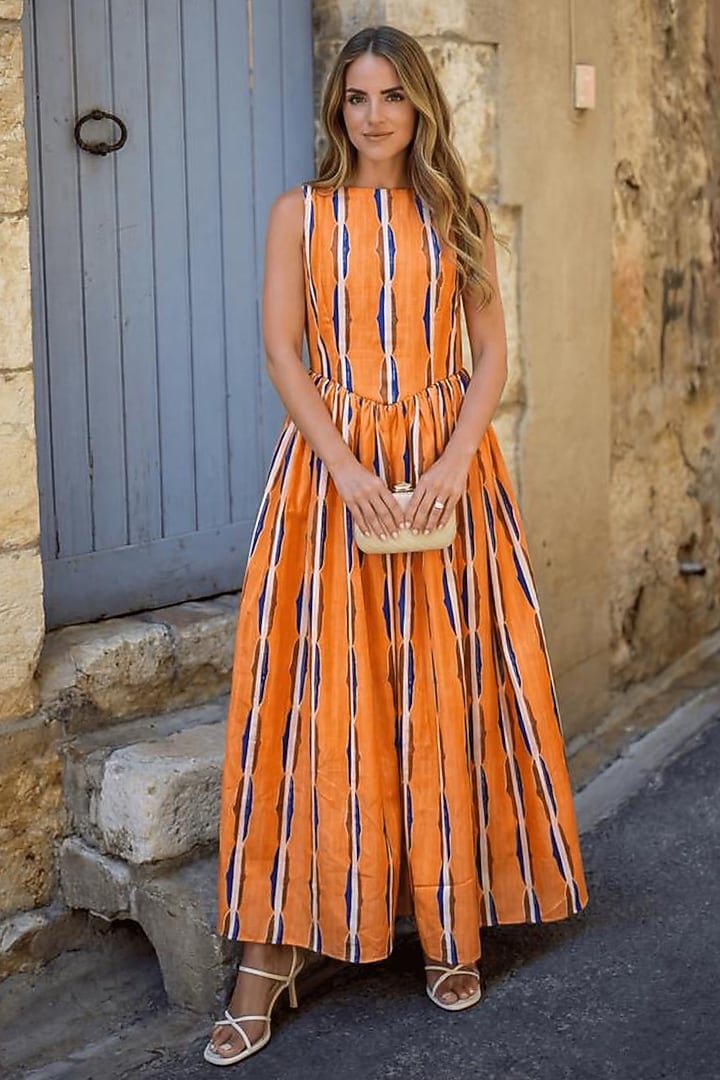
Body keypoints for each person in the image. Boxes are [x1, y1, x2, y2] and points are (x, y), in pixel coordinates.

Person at [204, 23, 589, 1067]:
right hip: (334, 480)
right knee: (317, 702)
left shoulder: (457, 211)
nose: (373, 116)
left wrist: (456, 460)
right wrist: (346, 467)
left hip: (447, 475)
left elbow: (490, 349)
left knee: (444, 686)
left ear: (420, 105)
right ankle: (268, 959)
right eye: (356, 97)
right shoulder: (301, 213)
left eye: (391, 97)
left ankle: (451, 923)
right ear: (338, 108)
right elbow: (283, 351)